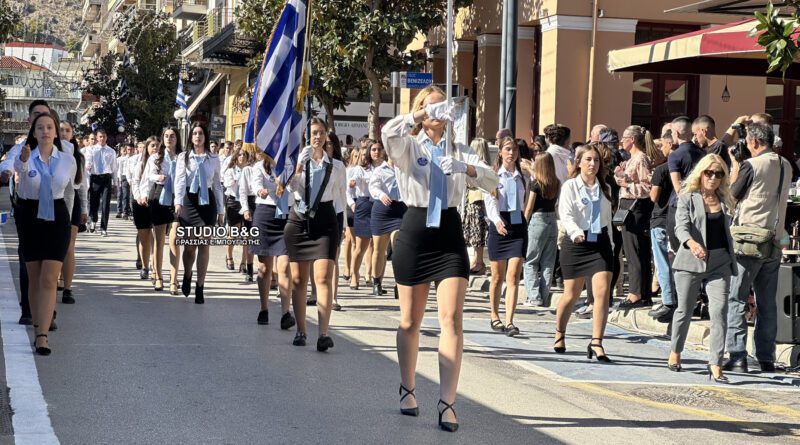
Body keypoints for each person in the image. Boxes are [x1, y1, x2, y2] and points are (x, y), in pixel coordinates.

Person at [382, 85, 498, 432]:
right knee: (410, 321)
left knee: (451, 319)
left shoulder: (458, 149)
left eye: (444, 108)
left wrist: (467, 168)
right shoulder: (409, 146)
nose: (441, 114)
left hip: (449, 233)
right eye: (434, 108)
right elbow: (388, 133)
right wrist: (419, 115)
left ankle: (447, 401)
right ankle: (408, 388)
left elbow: (493, 182)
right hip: (415, 230)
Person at [725, 122, 791, 373]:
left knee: (736, 298)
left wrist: (735, 165)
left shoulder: (752, 165)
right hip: (773, 239)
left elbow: (733, 195)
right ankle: (766, 357)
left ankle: (738, 355)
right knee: (767, 302)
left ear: (753, 142)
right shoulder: (785, 164)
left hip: (747, 238)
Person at [669, 154, 737, 383]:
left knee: (719, 312)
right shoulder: (688, 197)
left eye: (719, 174)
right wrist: (691, 243)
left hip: (720, 262)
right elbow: (681, 227)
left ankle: (716, 364)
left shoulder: (726, 200)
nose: (713, 178)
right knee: (684, 310)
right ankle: (675, 352)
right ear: (701, 173)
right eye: (709, 173)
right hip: (691, 260)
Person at [15, 112, 77, 355]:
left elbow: (70, 191)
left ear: (55, 131)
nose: (45, 131)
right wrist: (22, 160)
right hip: (31, 217)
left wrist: (72, 222)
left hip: (57, 217)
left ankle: (42, 335)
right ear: (34, 132)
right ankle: (38, 322)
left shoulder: (67, 159)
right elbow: (21, 180)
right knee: (34, 276)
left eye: (49, 127)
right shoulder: (24, 155)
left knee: (50, 278)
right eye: (40, 127)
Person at [284, 118, 347, 351]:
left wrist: (343, 226)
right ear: (306, 137)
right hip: (299, 219)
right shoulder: (298, 161)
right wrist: (299, 166)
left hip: (325, 220)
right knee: (299, 280)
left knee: (322, 278)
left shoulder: (337, 166)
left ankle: (323, 333)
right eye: (313, 133)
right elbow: (289, 188)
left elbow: (340, 197)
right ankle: (301, 330)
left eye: (320, 133)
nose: (317, 137)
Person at [554, 144, 614, 362]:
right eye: (588, 160)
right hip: (576, 243)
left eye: (596, 161)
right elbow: (565, 213)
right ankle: (560, 332)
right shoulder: (570, 186)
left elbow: (607, 220)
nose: (592, 164)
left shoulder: (604, 188)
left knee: (602, 293)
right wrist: (575, 232)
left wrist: (612, 246)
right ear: (579, 163)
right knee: (571, 294)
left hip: (600, 242)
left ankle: (597, 341)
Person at [175, 123, 224, 303]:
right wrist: (178, 202)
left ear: (206, 136)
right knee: (190, 247)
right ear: (191, 137)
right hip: (189, 201)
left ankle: (200, 286)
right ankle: (187, 274)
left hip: (207, 202)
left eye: (201, 133)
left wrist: (221, 210)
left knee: (204, 245)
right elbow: (179, 180)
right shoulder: (184, 157)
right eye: (195, 133)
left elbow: (218, 184)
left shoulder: (213, 158)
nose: (198, 136)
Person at [614, 126, 662, 309]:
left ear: (632, 139)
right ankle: (642, 292)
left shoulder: (640, 158)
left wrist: (625, 184)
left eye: (624, 138)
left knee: (635, 252)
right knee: (636, 251)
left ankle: (636, 293)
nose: (621, 142)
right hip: (630, 207)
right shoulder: (633, 159)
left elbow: (647, 188)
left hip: (635, 208)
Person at [485, 136, 528, 336]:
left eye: (515, 150)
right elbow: (490, 200)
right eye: (508, 149)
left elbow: (538, 190)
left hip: (518, 225)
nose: (511, 153)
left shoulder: (523, 176)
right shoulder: (494, 175)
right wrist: (496, 220)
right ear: (500, 152)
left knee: (513, 276)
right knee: (497, 276)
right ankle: (495, 315)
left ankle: (510, 320)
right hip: (499, 223)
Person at [249, 152, 296, 328]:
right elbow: (256, 186)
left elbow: (296, 188)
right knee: (264, 267)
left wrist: (289, 183)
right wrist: (261, 190)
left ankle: (285, 313)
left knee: (284, 266)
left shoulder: (291, 165)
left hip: (286, 213)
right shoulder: (258, 167)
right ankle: (264, 308)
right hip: (265, 215)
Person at [142, 127, 183, 295]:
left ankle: (174, 279)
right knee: (159, 240)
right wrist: (156, 178)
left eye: (172, 136)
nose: (169, 139)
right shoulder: (156, 157)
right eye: (166, 136)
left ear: (177, 138)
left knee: (174, 239)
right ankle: (158, 276)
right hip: (159, 197)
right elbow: (147, 176)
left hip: (177, 199)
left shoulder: (183, 157)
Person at [368, 141, 407, 298]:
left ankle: (400, 284)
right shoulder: (380, 170)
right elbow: (373, 187)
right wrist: (381, 195)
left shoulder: (405, 169)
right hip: (383, 210)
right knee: (379, 249)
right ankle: (376, 281)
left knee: (398, 245)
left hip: (400, 210)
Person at [523, 152, 560, 307]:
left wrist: (524, 223)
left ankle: (533, 296)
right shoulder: (556, 182)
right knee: (548, 262)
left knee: (531, 260)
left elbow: (530, 206)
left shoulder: (535, 184)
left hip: (538, 220)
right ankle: (544, 297)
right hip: (552, 219)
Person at [648, 130, 677, 322]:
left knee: (662, 263)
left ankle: (668, 300)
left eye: (663, 145)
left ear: (670, 144)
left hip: (660, 218)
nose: (661, 149)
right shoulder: (688, 166)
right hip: (678, 219)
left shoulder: (661, 170)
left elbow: (654, 197)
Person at [59, 120, 88, 304]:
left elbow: (82, 184)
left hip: (73, 200)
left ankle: (68, 288)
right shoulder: (52, 153)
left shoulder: (79, 157)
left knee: (69, 247)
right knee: (55, 245)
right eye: (60, 130)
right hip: (55, 199)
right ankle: (55, 279)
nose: (63, 133)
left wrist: (84, 207)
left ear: (73, 133)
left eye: (67, 130)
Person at [667, 117, 706, 252]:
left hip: (679, 206)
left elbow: (678, 187)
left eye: (671, 132)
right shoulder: (703, 153)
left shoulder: (675, 155)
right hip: (700, 204)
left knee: (679, 251)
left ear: (677, 133)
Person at [348, 144, 379, 290]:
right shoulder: (360, 169)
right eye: (373, 150)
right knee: (361, 246)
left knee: (377, 245)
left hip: (380, 205)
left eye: (379, 149)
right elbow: (352, 182)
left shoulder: (383, 168)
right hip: (364, 204)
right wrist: (353, 183)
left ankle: (372, 275)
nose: (376, 152)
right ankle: (355, 275)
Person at [462, 138, 491, 275]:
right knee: (473, 232)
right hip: (472, 199)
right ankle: (476, 260)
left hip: (478, 200)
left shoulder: (481, 165)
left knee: (477, 232)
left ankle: (479, 262)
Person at [131, 137, 158, 283]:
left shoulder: (161, 163)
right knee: (144, 235)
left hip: (157, 203)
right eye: (152, 146)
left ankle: (155, 266)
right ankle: (145, 265)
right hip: (141, 203)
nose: (155, 148)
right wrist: (139, 197)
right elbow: (135, 182)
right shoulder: (140, 163)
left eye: (157, 146)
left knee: (155, 235)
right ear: (147, 147)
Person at [86, 130, 117, 236]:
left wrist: (115, 182)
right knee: (94, 202)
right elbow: (88, 161)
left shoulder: (111, 151)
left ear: (106, 137)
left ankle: (104, 227)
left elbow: (114, 168)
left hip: (106, 179)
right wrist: (88, 166)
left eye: (104, 136)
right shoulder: (92, 150)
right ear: (97, 138)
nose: (102, 138)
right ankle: (93, 221)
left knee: (105, 204)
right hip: (95, 178)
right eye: (100, 136)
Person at [223, 148, 247, 274]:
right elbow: (227, 184)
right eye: (240, 155)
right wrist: (236, 180)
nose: (242, 157)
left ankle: (244, 262)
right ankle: (229, 256)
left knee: (247, 234)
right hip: (234, 201)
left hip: (247, 202)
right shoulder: (231, 170)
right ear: (236, 157)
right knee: (233, 232)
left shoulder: (250, 170)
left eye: (244, 155)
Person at [238, 149, 257, 283]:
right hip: (251, 202)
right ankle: (249, 269)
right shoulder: (248, 170)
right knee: (249, 238)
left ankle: (269, 273)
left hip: (265, 204)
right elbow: (243, 191)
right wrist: (245, 209)